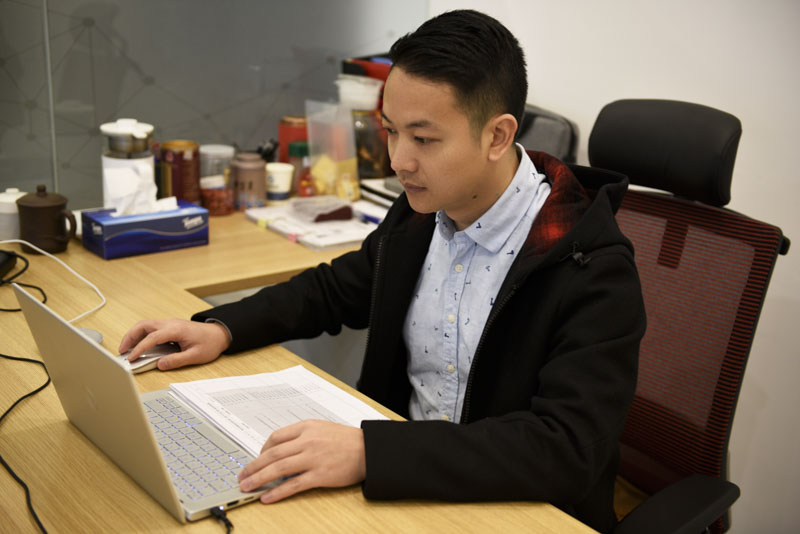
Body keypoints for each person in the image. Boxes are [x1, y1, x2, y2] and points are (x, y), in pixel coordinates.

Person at [120, 10, 645, 533]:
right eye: (391, 131)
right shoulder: (424, 212)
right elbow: (334, 289)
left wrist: (370, 452)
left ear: (498, 137)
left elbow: (565, 450)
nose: (398, 161)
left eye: (424, 139)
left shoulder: (590, 266)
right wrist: (222, 327)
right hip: (405, 492)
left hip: (517, 513)